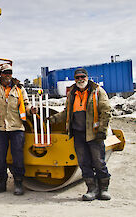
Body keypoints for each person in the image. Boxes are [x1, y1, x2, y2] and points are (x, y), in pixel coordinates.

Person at [48, 68, 112, 201]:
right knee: (84, 163)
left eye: (82, 77)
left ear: (87, 77)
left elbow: (106, 111)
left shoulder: (97, 91)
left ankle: (104, 189)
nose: (80, 79)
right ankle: (92, 189)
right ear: (75, 79)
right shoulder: (72, 93)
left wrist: (102, 130)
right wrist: (54, 119)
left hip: (94, 134)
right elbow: (67, 112)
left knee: (99, 162)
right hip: (78, 134)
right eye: (77, 77)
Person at [0, 63, 37, 195]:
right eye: (5, 73)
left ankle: (18, 183)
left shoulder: (19, 89)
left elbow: (26, 105)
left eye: (10, 73)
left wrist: (31, 110)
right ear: (1, 74)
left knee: (18, 156)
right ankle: (0, 183)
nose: (8, 75)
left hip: (16, 127)